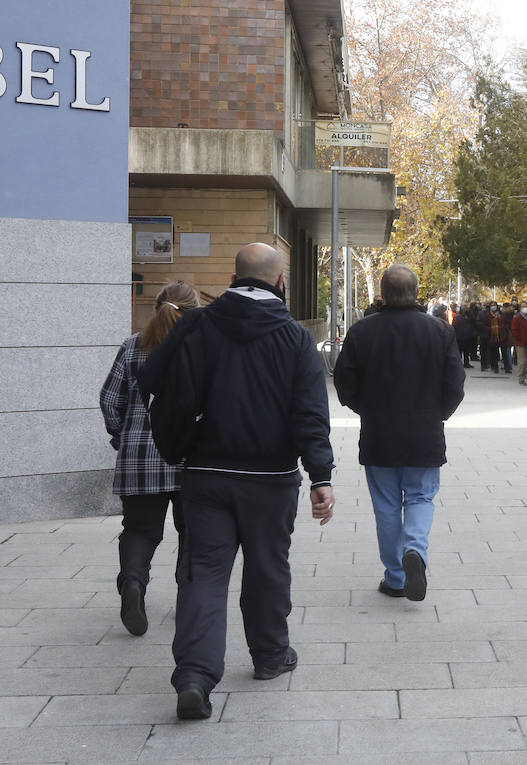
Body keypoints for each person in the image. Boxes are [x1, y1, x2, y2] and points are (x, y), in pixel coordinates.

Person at [139, 243, 334, 721]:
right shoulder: (293, 338)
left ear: (234, 276)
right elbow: (309, 413)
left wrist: (184, 433)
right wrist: (320, 476)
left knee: (203, 574)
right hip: (270, 479)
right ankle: (270, 656)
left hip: (205, 474)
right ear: (280, 280)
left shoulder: (197, 325)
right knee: (268, 568)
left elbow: (150, 378)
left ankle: (195, 676)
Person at [334, 264, 464, 602]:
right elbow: (455, 385)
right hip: (424, 432)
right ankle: (415, 551)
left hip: (379, 434)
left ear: (383, 293)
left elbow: (344, 383)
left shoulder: (362, 331)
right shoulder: (439, 331)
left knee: (387, 506)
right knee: (421, 497)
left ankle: (394, 577)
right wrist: (438, 415)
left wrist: (367, 410)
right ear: (416, 292)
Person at [99, 280, 200, 637]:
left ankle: (133, 585)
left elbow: (111, 400)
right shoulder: (199, 347)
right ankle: (189, 599)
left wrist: (121, 435)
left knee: (140, 531)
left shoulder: (132, 347)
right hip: (191, 457)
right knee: (194, 532)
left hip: (139, 456)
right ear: (192, 310)